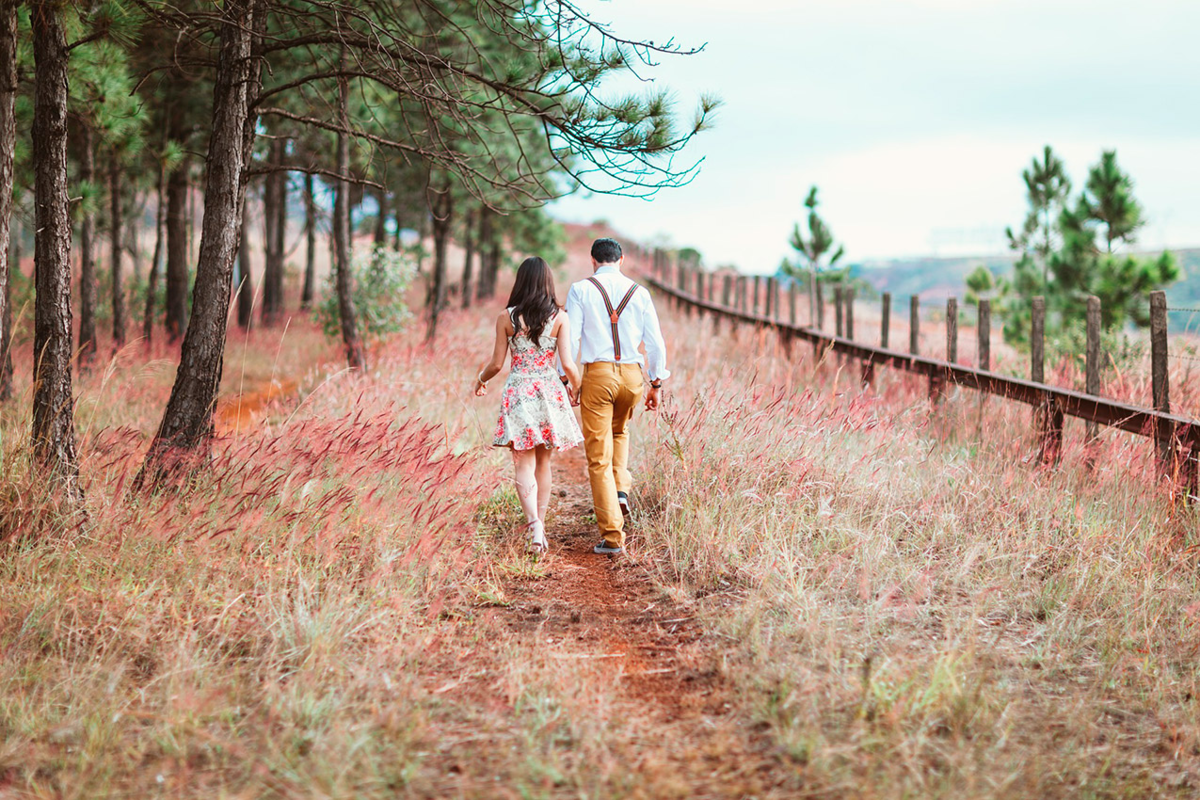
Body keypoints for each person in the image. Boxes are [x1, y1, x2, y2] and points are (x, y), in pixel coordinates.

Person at [561, 238, 669, 555]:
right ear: (621, 260)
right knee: (620, 431)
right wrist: (656, 384)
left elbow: (573, 337)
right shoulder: (640, 293)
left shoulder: (581, 290)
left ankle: (612, 537)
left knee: (598, 458)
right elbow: (656, 343)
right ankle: (620, 489)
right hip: (633, 377)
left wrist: (565, 378)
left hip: (599, 374)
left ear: (593, 260)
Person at [475, 257, 583, 553]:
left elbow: (497, 364)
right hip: (549, 390)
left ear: (520, 281)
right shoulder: (560, 317)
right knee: (544, 463)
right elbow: (569, 364)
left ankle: (533, 525)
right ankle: (541, 526)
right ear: (547, 281)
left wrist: (480, 379)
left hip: (520, 391)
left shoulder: (506, 318)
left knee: (523, 462)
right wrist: (578, 388)